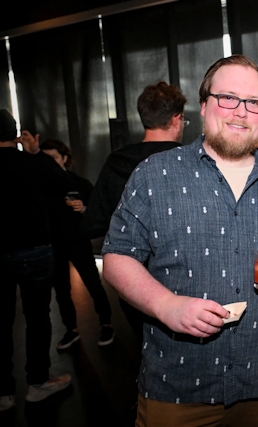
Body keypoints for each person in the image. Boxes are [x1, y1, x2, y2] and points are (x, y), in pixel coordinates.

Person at [102, 54, 258, 426]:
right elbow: (116, 257)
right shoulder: (154, 174)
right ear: (205, 105)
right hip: (178, 387)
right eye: (228, 97)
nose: (241, 111)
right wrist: (167, 306)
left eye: (254, 102)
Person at [82, 81, 187, 344]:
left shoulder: (116, 163)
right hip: (182, 276)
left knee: (144, 349)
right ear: (177, 119)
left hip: (132, 280)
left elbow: (94, 222)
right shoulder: (191, 163)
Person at [0, 109, 72, 410]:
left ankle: (3, 393)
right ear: (16, 132)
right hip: (35, 251)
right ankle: (38, 382)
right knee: (38, 319)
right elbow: (62, 184)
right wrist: (36, 152)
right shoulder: (33, 162)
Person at [38, 138, 115, 349]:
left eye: (53, 158)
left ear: (64, 158)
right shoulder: (40, 187)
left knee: (94, 284)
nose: (50, 164)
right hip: (54, 244)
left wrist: (83, 209)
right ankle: (70, 330)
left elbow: (97, 213)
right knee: (62, 291)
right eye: (45, 159)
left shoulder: (79, 183)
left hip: (78, 241)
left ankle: (107, 324)